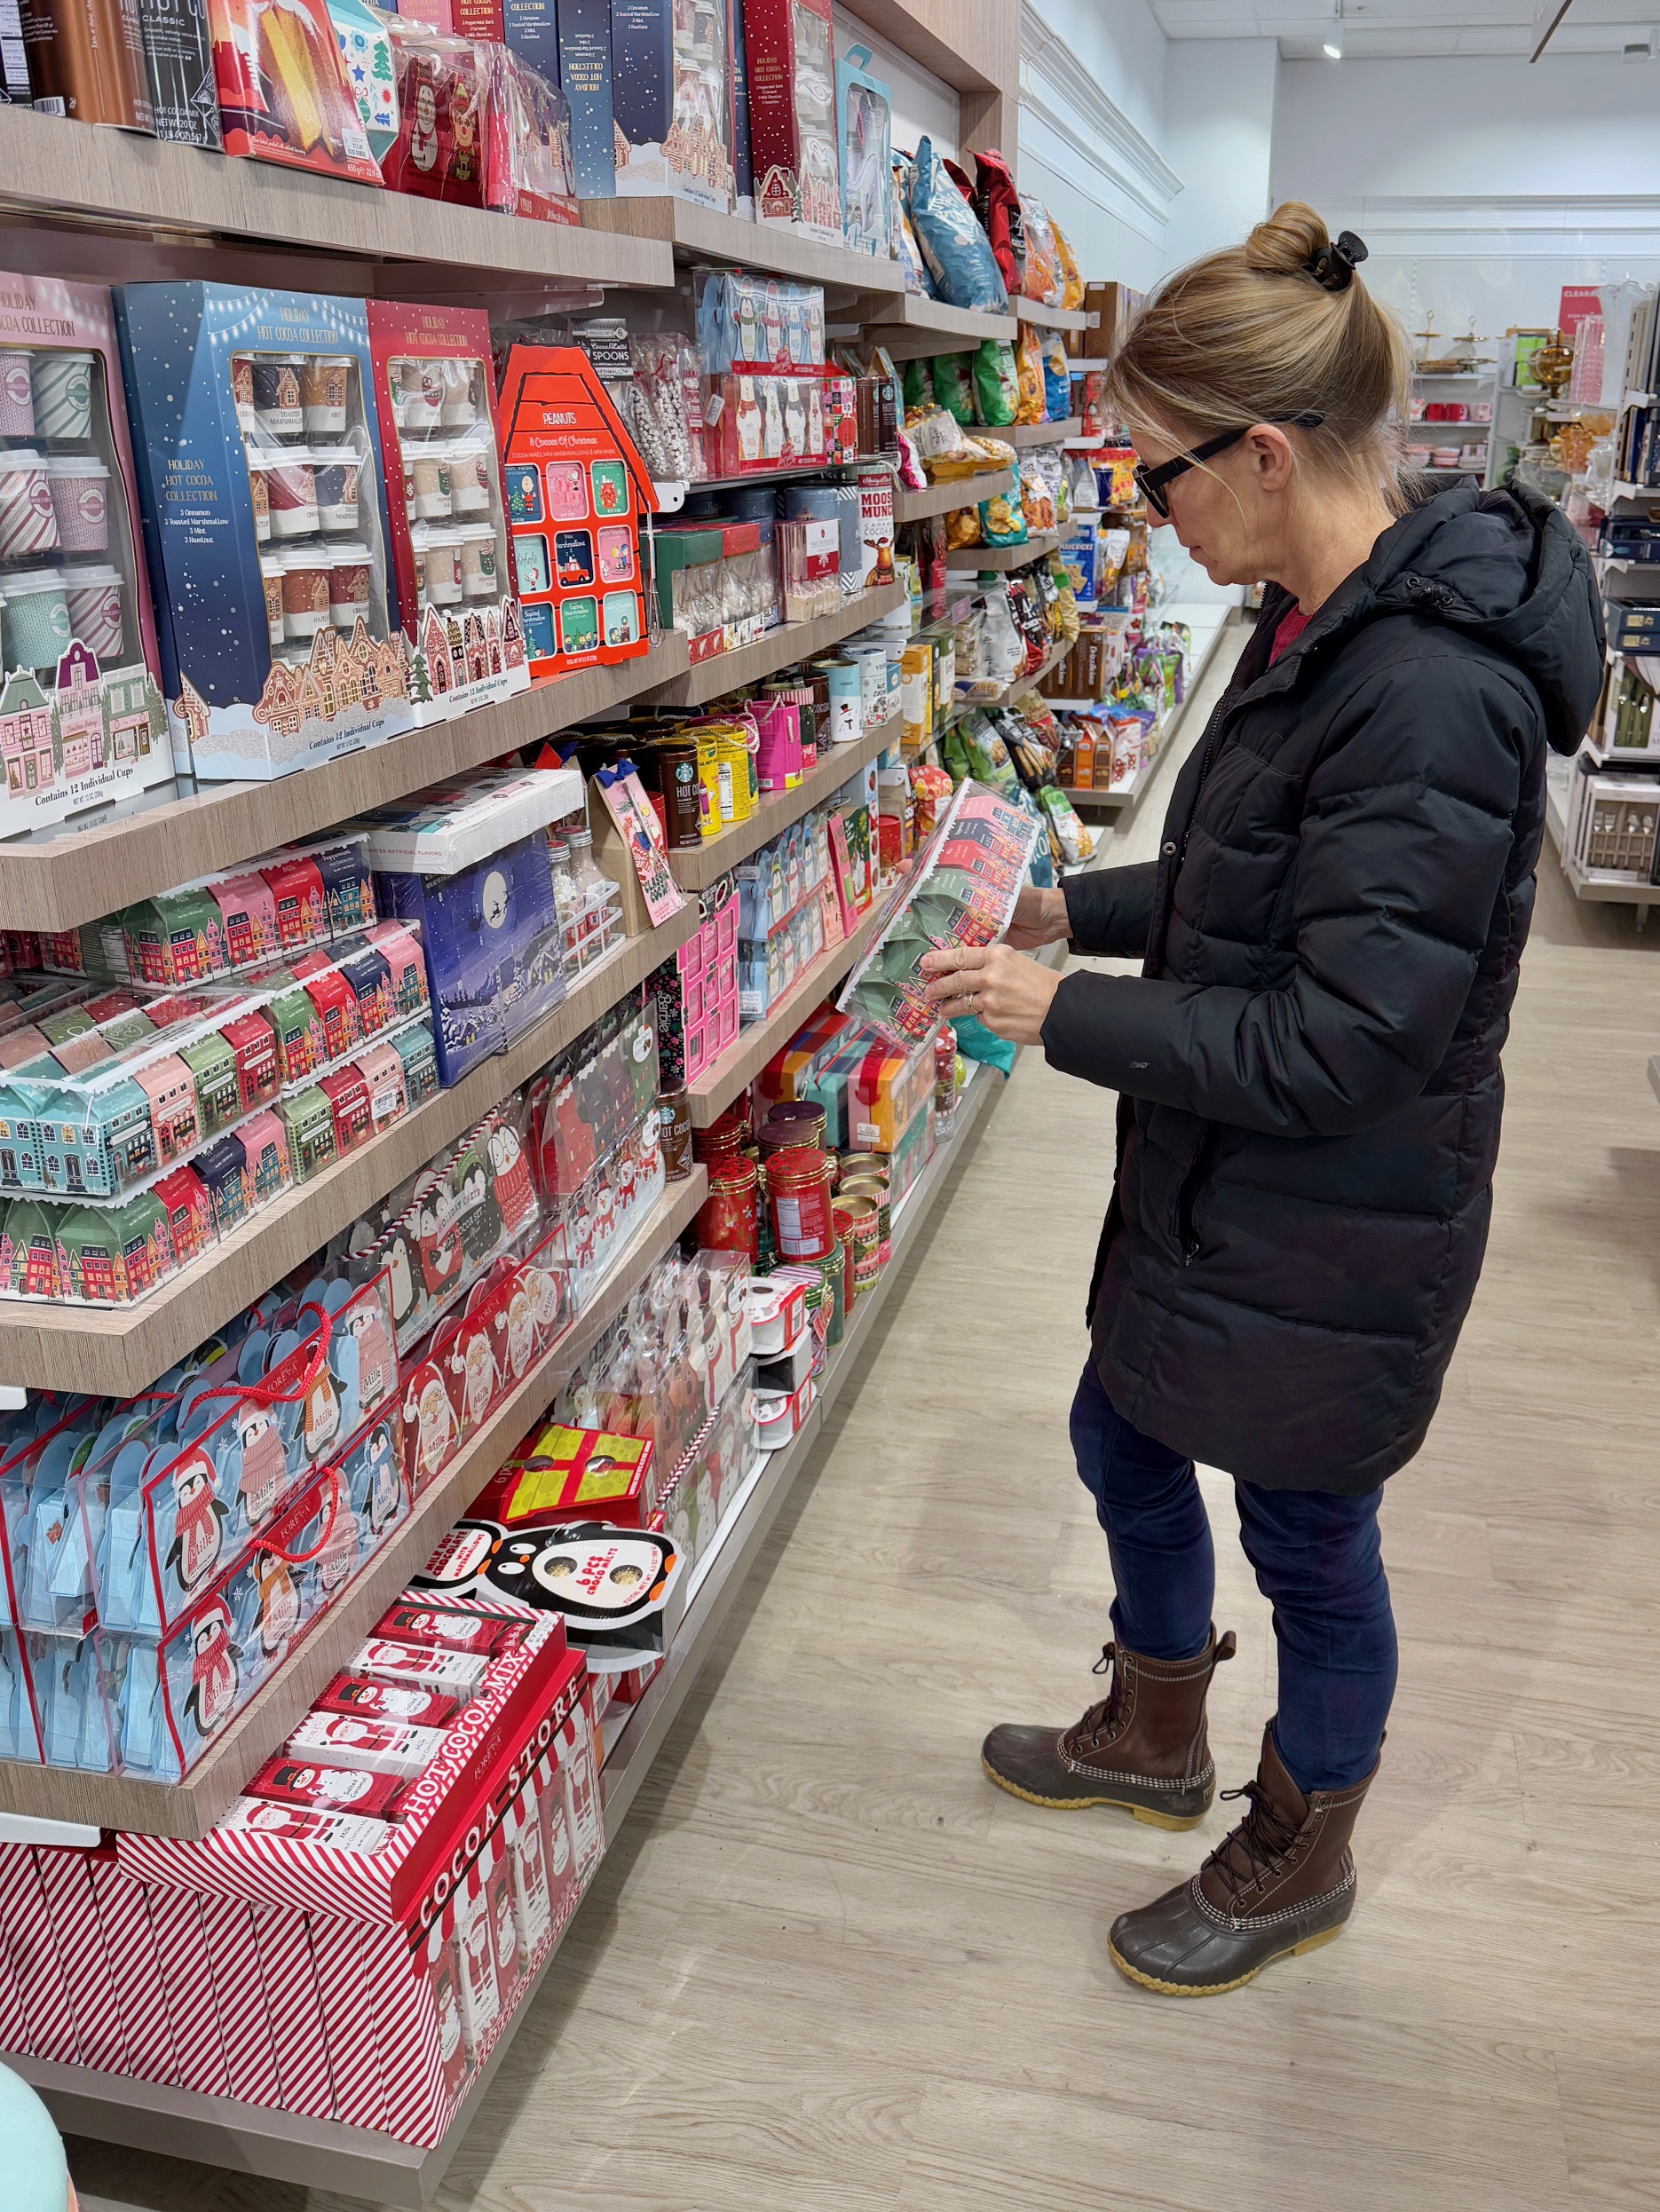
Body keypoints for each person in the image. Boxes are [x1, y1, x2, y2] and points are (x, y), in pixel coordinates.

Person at [921, 202, 1601, 1997]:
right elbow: (1255, 880)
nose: (1150, 511)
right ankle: (1154, 1731)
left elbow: (1343, 1037)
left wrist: (1063, 1012)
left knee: (1306, 1539)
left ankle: (1302, 1846)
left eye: (1159, 476)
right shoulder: (1313, 626)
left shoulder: (1430, 691)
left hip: (1338, 1218)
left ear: (1264, 454)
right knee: (1119, 1436)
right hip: (1222, 1185)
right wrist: (1079, 910)